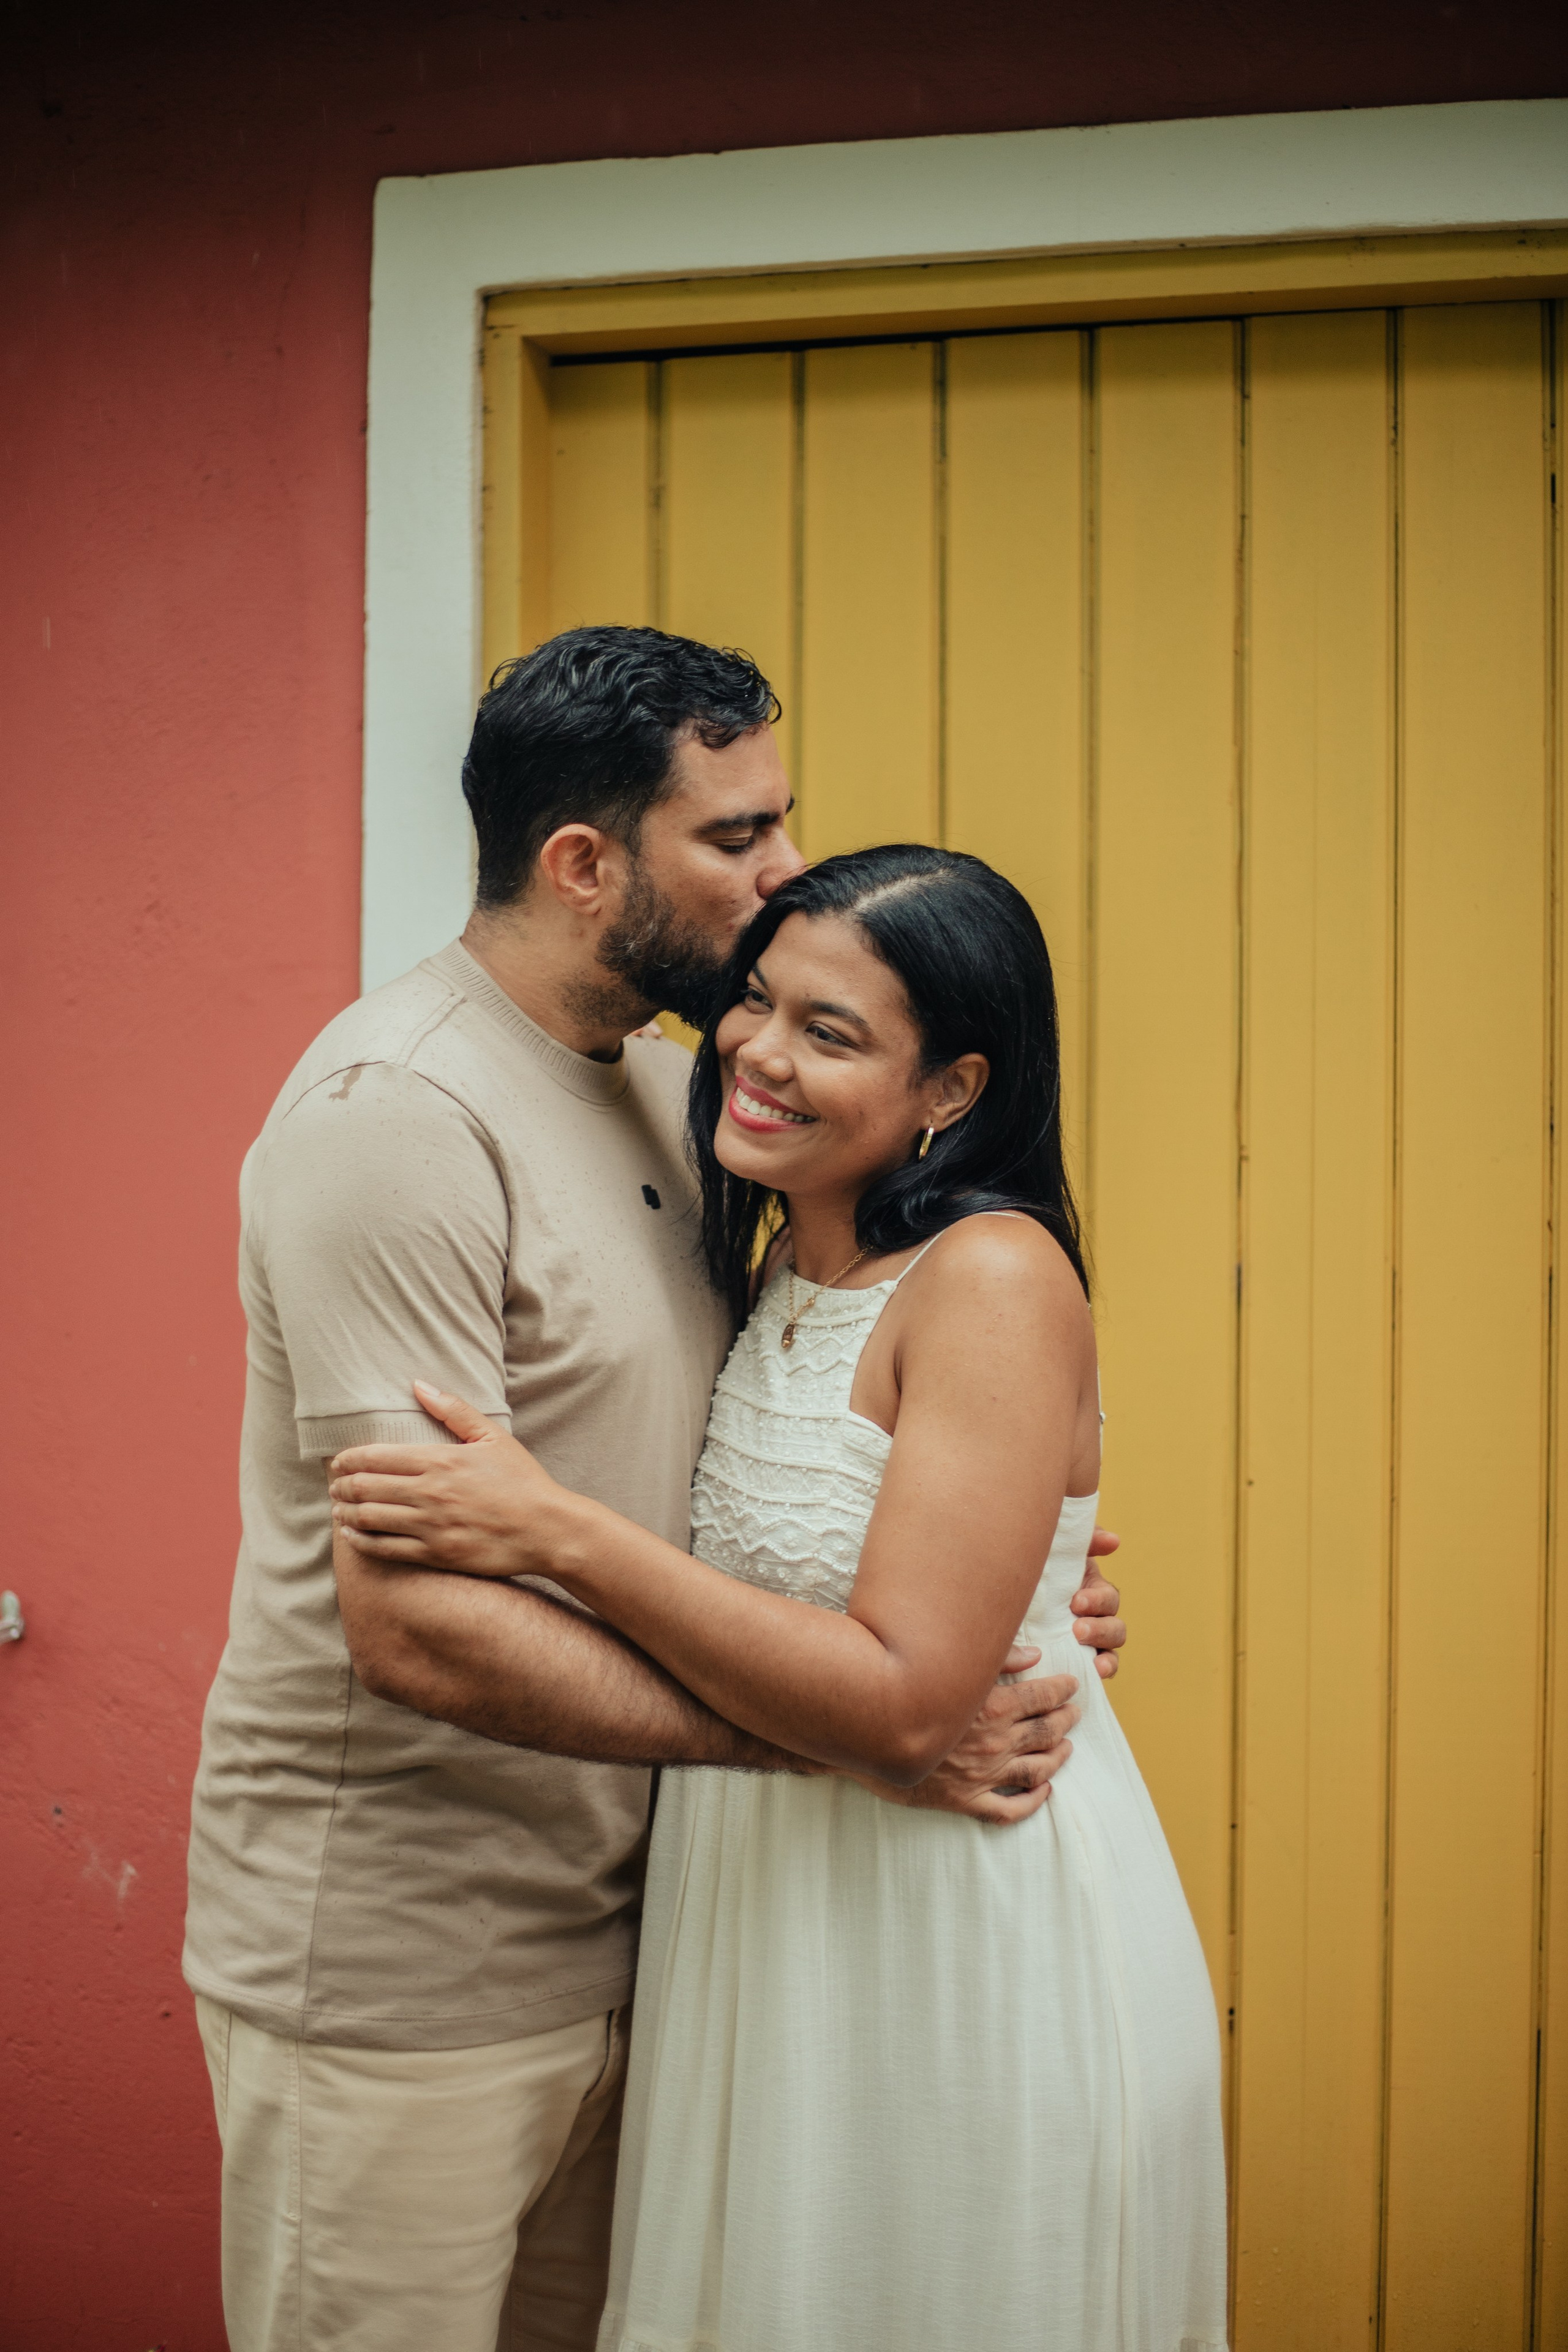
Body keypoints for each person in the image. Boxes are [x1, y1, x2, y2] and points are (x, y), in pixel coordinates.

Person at [184, 630, 1128, 2352]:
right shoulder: (401, 1115)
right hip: (421, 1971)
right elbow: (418, 1630)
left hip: (675, 1952)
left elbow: (789, 1450)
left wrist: (1011, 1575)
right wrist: (853, 1734)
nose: (783, 876)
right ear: (583, 863)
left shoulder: (689, 1099)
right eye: (737, 834)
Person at [331, 841, 1227, 2352]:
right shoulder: (773, 1269)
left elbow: (905, 1706)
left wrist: (557, 1534)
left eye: (831, 1032)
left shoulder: (989, 1278)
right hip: (767, 1920)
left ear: (950, 1089)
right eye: (755, 1001)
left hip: (950, 1926)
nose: (757, 1051)